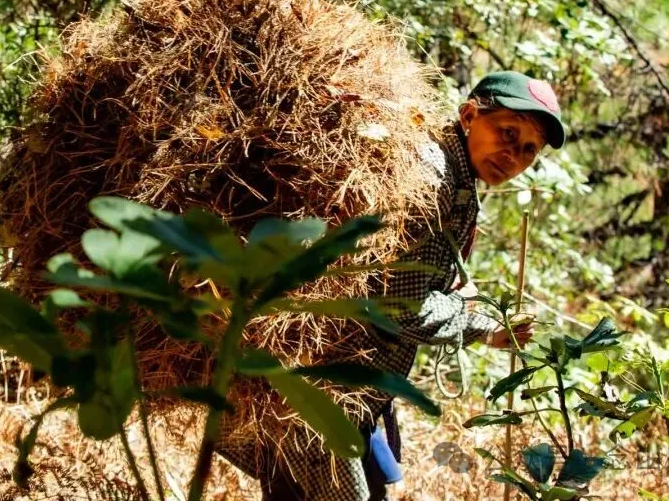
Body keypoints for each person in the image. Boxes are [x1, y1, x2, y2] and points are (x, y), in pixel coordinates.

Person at [216, 70, 568, 501]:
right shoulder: (433, 181)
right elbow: (401, 308)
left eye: (529, 149)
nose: (513, 154)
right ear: (470, 114)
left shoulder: (454, 178)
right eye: (508, 132)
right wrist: (481, 327)